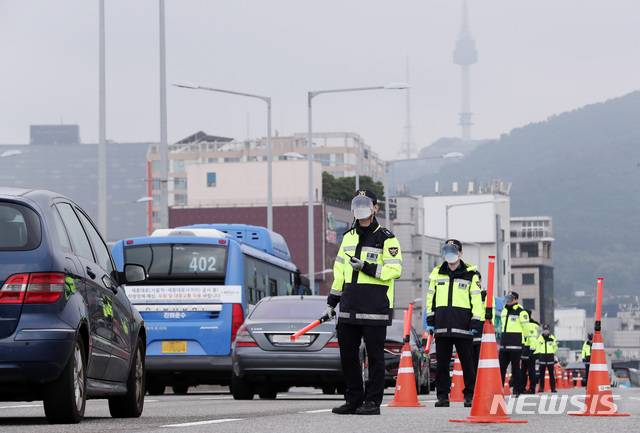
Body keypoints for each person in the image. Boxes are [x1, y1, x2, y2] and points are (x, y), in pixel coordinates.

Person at [325, 189, 403, 416]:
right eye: (357, 204)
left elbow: (395, 270)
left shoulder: (387, 238)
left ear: (375, 208)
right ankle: (353, 399)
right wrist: (332, 302)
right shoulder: (348, 236)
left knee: (375, 357)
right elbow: (339, 272)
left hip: (375, 307)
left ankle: (372, 402)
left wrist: (366, 267)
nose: (360, 208)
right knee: (348, 357)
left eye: (365, 204)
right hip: (349, 305)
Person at [426, 239, 483, 408]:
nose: (449, 254)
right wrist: (430, 321)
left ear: (460, 254)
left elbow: (476, 300)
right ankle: (442, 396)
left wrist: (475, 322)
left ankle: (469, 395)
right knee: (442, 364)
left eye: (453, 250)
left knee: (468, 363)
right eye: (447, 250)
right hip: (442, 325)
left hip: (463, 326)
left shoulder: (471, 274)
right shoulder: (436, 274)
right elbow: (431, 299)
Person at [498, 291, 532, 397]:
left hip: (516, 343)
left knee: (515, 368)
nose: (508, 301)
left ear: (516, 300)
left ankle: (517, 390)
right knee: (501, 368)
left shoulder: (521, 312)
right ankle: (499, 389)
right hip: (504, 343)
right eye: (507, 298)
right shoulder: (504, 311)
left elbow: (527, 328)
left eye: (510, 299)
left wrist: (526, 342)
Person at [472, 272, 495, 372]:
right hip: (469, 327)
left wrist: (489, 329)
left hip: (482, 327)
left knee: (480, 357)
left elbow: (491, 313)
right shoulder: (466, 294)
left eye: (477, 280)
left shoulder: (486, 295)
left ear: (480, 281)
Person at [535, 324, 558, 392]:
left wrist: (551, 353)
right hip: (542, 357)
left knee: (551, 374)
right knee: (542, 374)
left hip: (550, 357)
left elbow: (555, 347)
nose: (545, 331)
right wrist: (539, 354)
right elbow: (537, 347)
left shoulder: (552, 338)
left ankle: (553, 388)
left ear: (549, 330)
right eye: (544, 330)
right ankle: (541, 388)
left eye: (547, 330)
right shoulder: (539, 338)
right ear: (542, 331)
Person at [522, 310, 540, 393]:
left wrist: (532, 350)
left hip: (530, 350)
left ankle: (532, 388)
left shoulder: (531, 326)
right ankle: (522, 387)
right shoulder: (524, 325)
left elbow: (532, 338)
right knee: (523, 370)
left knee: (531, 371)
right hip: (525, 349)